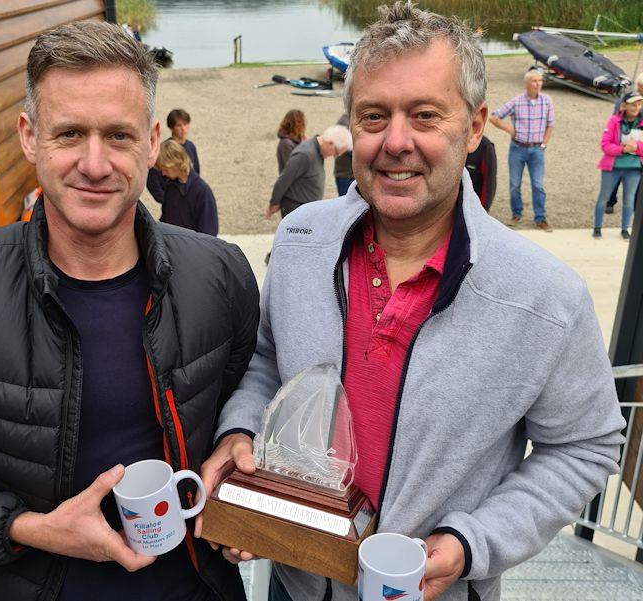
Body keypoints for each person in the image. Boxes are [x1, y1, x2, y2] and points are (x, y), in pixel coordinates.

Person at [198, 3, 625, 601]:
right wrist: (239, 432)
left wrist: (475, 540)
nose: (396, 142)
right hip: (292, 585)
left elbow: (587, 444)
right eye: (374, 117)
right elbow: (269, 361)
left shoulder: (544, 297)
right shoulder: (299, 239)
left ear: (475, 126)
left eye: (425, 116)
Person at [0, 21, 259, 601]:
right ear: (29, 136)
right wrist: (30, 529)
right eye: (69, 133)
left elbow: (250, 403)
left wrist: (239, 470)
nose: (94, 165)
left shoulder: (220, 274)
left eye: (117, 136)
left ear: (150, 141)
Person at [489, 68, 555, 231]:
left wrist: (544, 144)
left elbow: (550, 125)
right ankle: (516, 213)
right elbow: (493, 116)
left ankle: (540, 218)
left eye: (540, 81)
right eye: (534, 81)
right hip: (517, 149)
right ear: (526, 84)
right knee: (514, 184)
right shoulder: (517, 101)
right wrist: (510, 129)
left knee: (538, 185)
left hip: (537, 150)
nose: (538, 84)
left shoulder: (547, 101)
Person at [266, 124, 352, 219]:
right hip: (296, 210)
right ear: (330, 143)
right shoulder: (305, 154)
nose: (334, 156)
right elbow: (284, 179)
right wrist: (274, 203)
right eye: (336, 153)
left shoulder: (318, 152)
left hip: (305, 209)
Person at [592, 90, 643, 240]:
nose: (636, 107)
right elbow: (605, 145)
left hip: (633, 168)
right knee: (604, 197)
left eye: (639, 104)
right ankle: (597, 227)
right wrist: (622, 149)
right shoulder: (614, 121)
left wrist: (636, 147)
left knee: (629, 200)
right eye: (633, 104)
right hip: (612, 167)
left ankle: (625, 229)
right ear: (624, 106)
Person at [157, 139, 219, 236]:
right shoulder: (170, 187)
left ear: (175, 163)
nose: (163, 173)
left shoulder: (203, 193)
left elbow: (209, 236)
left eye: (165, 169)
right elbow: (166, 220)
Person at [607, 73, 643, 213]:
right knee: (618, 171)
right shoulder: (626, 99)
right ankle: (610, 201)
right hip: (623, 141)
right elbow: (617, 117)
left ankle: (635, 205)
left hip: (638, 145)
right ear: (640, 86)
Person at [147, 108, 200, 202]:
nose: (183, 129)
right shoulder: (163, 150)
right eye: (179, 125)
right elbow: (152, 181)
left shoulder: (191, 146)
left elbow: (196, 171)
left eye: (185, 124)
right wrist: (168, 200)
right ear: (171, 127)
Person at [464, 134, 497, 211]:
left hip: (473, 206)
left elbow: (489, 183)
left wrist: (483, 210)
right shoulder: (450, 141)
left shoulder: (485, 147)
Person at [276, 109, 306, 173]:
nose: (304, 125)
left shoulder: (299, 139)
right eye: (302, 122)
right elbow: (292, 168)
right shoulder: (286, 143)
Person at [335, 113, 355, 196]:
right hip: (346, 175)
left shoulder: (349, 119)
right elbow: (344, 145)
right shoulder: (345, 121)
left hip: (348, 174)